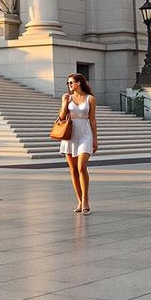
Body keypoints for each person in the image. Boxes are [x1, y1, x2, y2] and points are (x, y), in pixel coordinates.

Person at [56, 73, 98, 213]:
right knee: (73, 170)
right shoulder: (66, 97)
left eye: (71, 82)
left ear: (79, 83)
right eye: (68, 83)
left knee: (81, 167)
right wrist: (65, 104)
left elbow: (92, 120)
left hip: (85, 134)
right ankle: (79, 201)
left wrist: (95, 139)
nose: (69, 85)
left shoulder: (90, 99)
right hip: (70, 134)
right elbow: (61, 117)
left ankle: (86, 199)